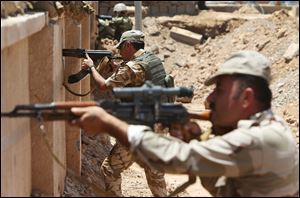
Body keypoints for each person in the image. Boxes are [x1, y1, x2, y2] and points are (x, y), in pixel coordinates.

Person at [72, 50, 299, 197]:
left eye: (219, 91)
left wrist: (111, 125)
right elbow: (220, 187)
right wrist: (196, 137)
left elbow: (181, 159)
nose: (209, 99)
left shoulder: (260, 139)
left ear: (247, 98)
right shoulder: (263, 130)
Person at [81, 30, 169, 196]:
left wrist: (92, 67)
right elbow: (139, 80)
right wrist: (119, 67)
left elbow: (103, 85)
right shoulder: (153, 60)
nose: (120, 51)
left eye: (121, 47)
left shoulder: (133, 66)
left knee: (109, 169)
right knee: (155, 173)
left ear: (128, 45)